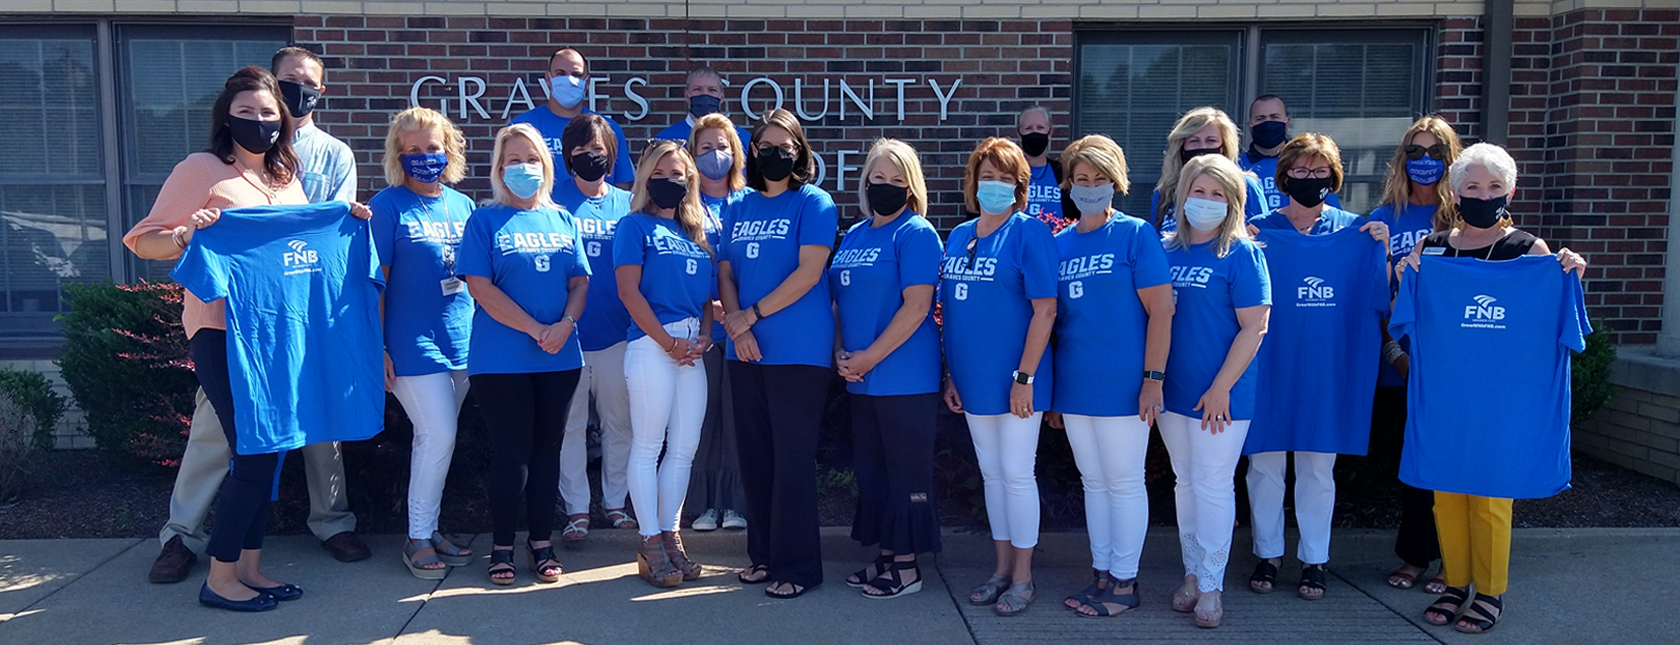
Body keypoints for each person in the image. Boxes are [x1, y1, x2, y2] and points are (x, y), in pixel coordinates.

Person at [123, 66, 374, 611]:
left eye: (268, 114)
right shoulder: (202, 169)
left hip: (281, 337)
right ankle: (220, 578)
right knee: (255, 454)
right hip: (221, 332)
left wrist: (343, 217)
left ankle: (251, 568)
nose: (259, 122)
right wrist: (188, 232)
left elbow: (299, 245)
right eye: (247, 113)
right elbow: (144, 242)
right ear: (225, 116)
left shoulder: (287, 176)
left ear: (283, 121)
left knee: (274, 449)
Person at [1398, 143, 1587, 634]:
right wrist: (1406, 276)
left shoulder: (1531, 252)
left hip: (1502, 402)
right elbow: (1406, 315)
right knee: (1446, 494)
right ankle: (1456, 582)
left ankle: (1490, 591)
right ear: (1456, 193)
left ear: (1512, 191)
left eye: (1495, 187)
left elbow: (1548, 325)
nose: (1484, 195)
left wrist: (1568, 274)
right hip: (1445, 395)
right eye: (1473, 187)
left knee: (1490, 496)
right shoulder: (1433, 248)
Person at [1241, 133, 1390, 601]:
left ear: (1334, 176)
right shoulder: (1257, 230)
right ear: (1283, 176)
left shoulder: (1357, 232)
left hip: (1327, 369)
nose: (1310, 178)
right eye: (1301, 171)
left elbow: (1377, 300)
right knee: (1262, 465)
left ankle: (1315, 559)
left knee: (1317, 469)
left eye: (1320, 170)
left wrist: (1381, 252)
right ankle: (1267, 553)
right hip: (1266, 364)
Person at [455, 123, 590, 586]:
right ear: (498, 168)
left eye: (531, 159)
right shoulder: (484, 220)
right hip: (501, 359)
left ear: (546, 167)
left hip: (560, 356)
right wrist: (536, 328)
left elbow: (579, 281)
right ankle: (501, 546)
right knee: (511, 454)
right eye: (512, 160)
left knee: (547, 451)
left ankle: (540, 542)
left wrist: (565, 326)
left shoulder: (563, 219)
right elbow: (479, 287)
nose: (523, 168)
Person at [1046, 135, 1173, 618]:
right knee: (1093, 483)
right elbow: (1053, 323)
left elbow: (1161, 311)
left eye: (1100, 179)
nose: (1090, 187)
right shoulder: (1058, 243)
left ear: (1116, 183)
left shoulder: (1136, 234)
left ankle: (1125, 581)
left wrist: (1153, 378)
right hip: (1076, 385)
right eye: (1081, 180)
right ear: (1070, 185)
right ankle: (1101, 574)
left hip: (1126, 385)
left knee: (1123, 482)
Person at [717, 108, 839, 599]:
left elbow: (809, 274)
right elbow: (725, 273)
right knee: (756, 460)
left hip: (797, 353)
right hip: (743, 351)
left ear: (799, 153)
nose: (774, 155)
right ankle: (764, 556)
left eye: (784, 148)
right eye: (765, 146)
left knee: (791, 461)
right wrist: (736, 324)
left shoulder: (814, 202)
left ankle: (800, 567)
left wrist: (752, 316)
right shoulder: (738, 205)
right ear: (752, 152)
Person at [942, 137, 1058, 617]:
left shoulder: (1030, 234)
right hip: (971, 379)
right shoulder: (958, 235)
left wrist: (1025, 377)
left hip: (1017, 380)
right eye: (986, 176)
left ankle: (1024, 577)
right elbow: (948, 311)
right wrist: (951, 374)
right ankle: (1001, 569)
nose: (994, 185)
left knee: (1016, 474)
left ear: (1020, 186)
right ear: (973, 182)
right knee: (992, 475)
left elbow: (1045, 311)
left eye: (1004, 178)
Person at [1158, 154, 1271, 629]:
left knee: (1213, 484)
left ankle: (1211, 586)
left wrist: (1221, 387)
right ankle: (1191, 574)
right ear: (1182, 195)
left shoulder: (1243, 254)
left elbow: (1255, 326)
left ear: (1234, 202)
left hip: (1221, 395)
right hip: (1172, 393)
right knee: (1186, 482)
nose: (1205, 201)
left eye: (1217, 194)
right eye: (1198, 192)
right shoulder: (1163, 250)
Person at [831, 139, 945, 600]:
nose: (886, 187)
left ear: (912, 187)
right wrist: (841, 352)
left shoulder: (916, 234)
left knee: (906, 474)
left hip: (904, 379)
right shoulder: (855, 234)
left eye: (897, 180)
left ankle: (906, 565)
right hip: (861, 379)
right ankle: (884, 554)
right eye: (878, 179)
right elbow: (839, 304)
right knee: (874, 473)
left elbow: (917, 307)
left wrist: (869, 357)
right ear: (865, 182)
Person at [368, 106, 477, 579]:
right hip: (412, 344)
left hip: (464, 341)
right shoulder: (386, 207)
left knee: (437, 441)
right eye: (412, 150)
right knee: (438, 434)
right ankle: (416, 537)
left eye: (432, 149)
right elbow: (376, 285)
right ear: (397, 155)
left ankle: (429, 528)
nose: (423, 157)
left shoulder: (464, 206)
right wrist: (379, 348)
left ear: (448, 151)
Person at [614, 140, 716, 588]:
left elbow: (708, 299)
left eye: (679, 175)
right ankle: (649, 540)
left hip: (692, 348)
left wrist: (706, 335)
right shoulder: (633, 227)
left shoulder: (696, 234)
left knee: (684, 448)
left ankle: (672, 537)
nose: (670, 182)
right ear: (645, 178)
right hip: (653, 345)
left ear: (690, 181)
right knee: (648, 445)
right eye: (661, 173)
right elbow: (629, 293)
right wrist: (667, 341)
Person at [1368, 115, 1462, 595]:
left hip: (1451, 365)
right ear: (1403, 159)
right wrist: (1392, 351)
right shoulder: (1384, 217)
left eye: (1435, 153)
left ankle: (1453, 562)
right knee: (1414, 465)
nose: (1425, 162)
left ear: (1451, 160)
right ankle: (1414, 557)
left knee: (1451, 462)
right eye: (1416, 152)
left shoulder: (1464, 219)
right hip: (1401, 361)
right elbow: (1372, 292)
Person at [552, 113, 638, 544]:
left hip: (617, 334)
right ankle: (577, 510)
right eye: (582, 151)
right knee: (569, 426)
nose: (590, 158)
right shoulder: (551, 202)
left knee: (619, 423)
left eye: (598, 151)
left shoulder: (628, 204)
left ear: (612, 155)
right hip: (566, 336)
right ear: (568, 156)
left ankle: (617, 502)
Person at [686, 114, 752, 532]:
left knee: (739, 416)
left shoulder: (749, 203)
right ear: (693, 155)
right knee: (704, 417)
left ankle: (737, 503)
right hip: (701, 327)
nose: (715, 156)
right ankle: (706, 503)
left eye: (723, 147)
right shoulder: (683, 207)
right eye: (706, 148)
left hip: (745, 326)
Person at [509, 48, 635, 188]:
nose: (569, 80)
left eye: (576, 74)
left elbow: (623, 185)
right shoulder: (521, 127)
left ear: (587, 83)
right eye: (560, 73)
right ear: (548, 79)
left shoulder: (608, 129)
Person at [1148, 107, 1268, 234]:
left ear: (1224, 147)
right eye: (1194, 141)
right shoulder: (1165, 193)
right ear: (1182, 147)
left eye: (1211, 141)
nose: (1203, 147)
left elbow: (1263, 237)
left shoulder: (1246, 186)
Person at [273, 47, 357, 204]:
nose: (300, 87)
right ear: (272, 82)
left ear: (321, 91)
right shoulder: (248, 145)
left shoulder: (337, 155)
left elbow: (337, 218)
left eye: (310, 83)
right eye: (291, 79)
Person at [1240, 95, 1342, 211]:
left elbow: (1331, 214)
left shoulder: (1309, 165)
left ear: (1287, 122)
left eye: (1274, 117)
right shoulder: (1235, 165)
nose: (1268, 123)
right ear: (1250, 126)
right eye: (1260, 118)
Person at [653, 65, 753, 146]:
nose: (705, 95)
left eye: (712, 90)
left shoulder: (743, 140)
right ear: (686, 96)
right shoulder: (664, 140)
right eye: (697, 89)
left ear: (722, 97)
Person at [1015, 106, 1072, 232]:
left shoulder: (1064, 173)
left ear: (1050, 133)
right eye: (1028, 128)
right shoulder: (1008, 173)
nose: (1034, 133)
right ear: (1019, 134)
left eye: (1040, 128)